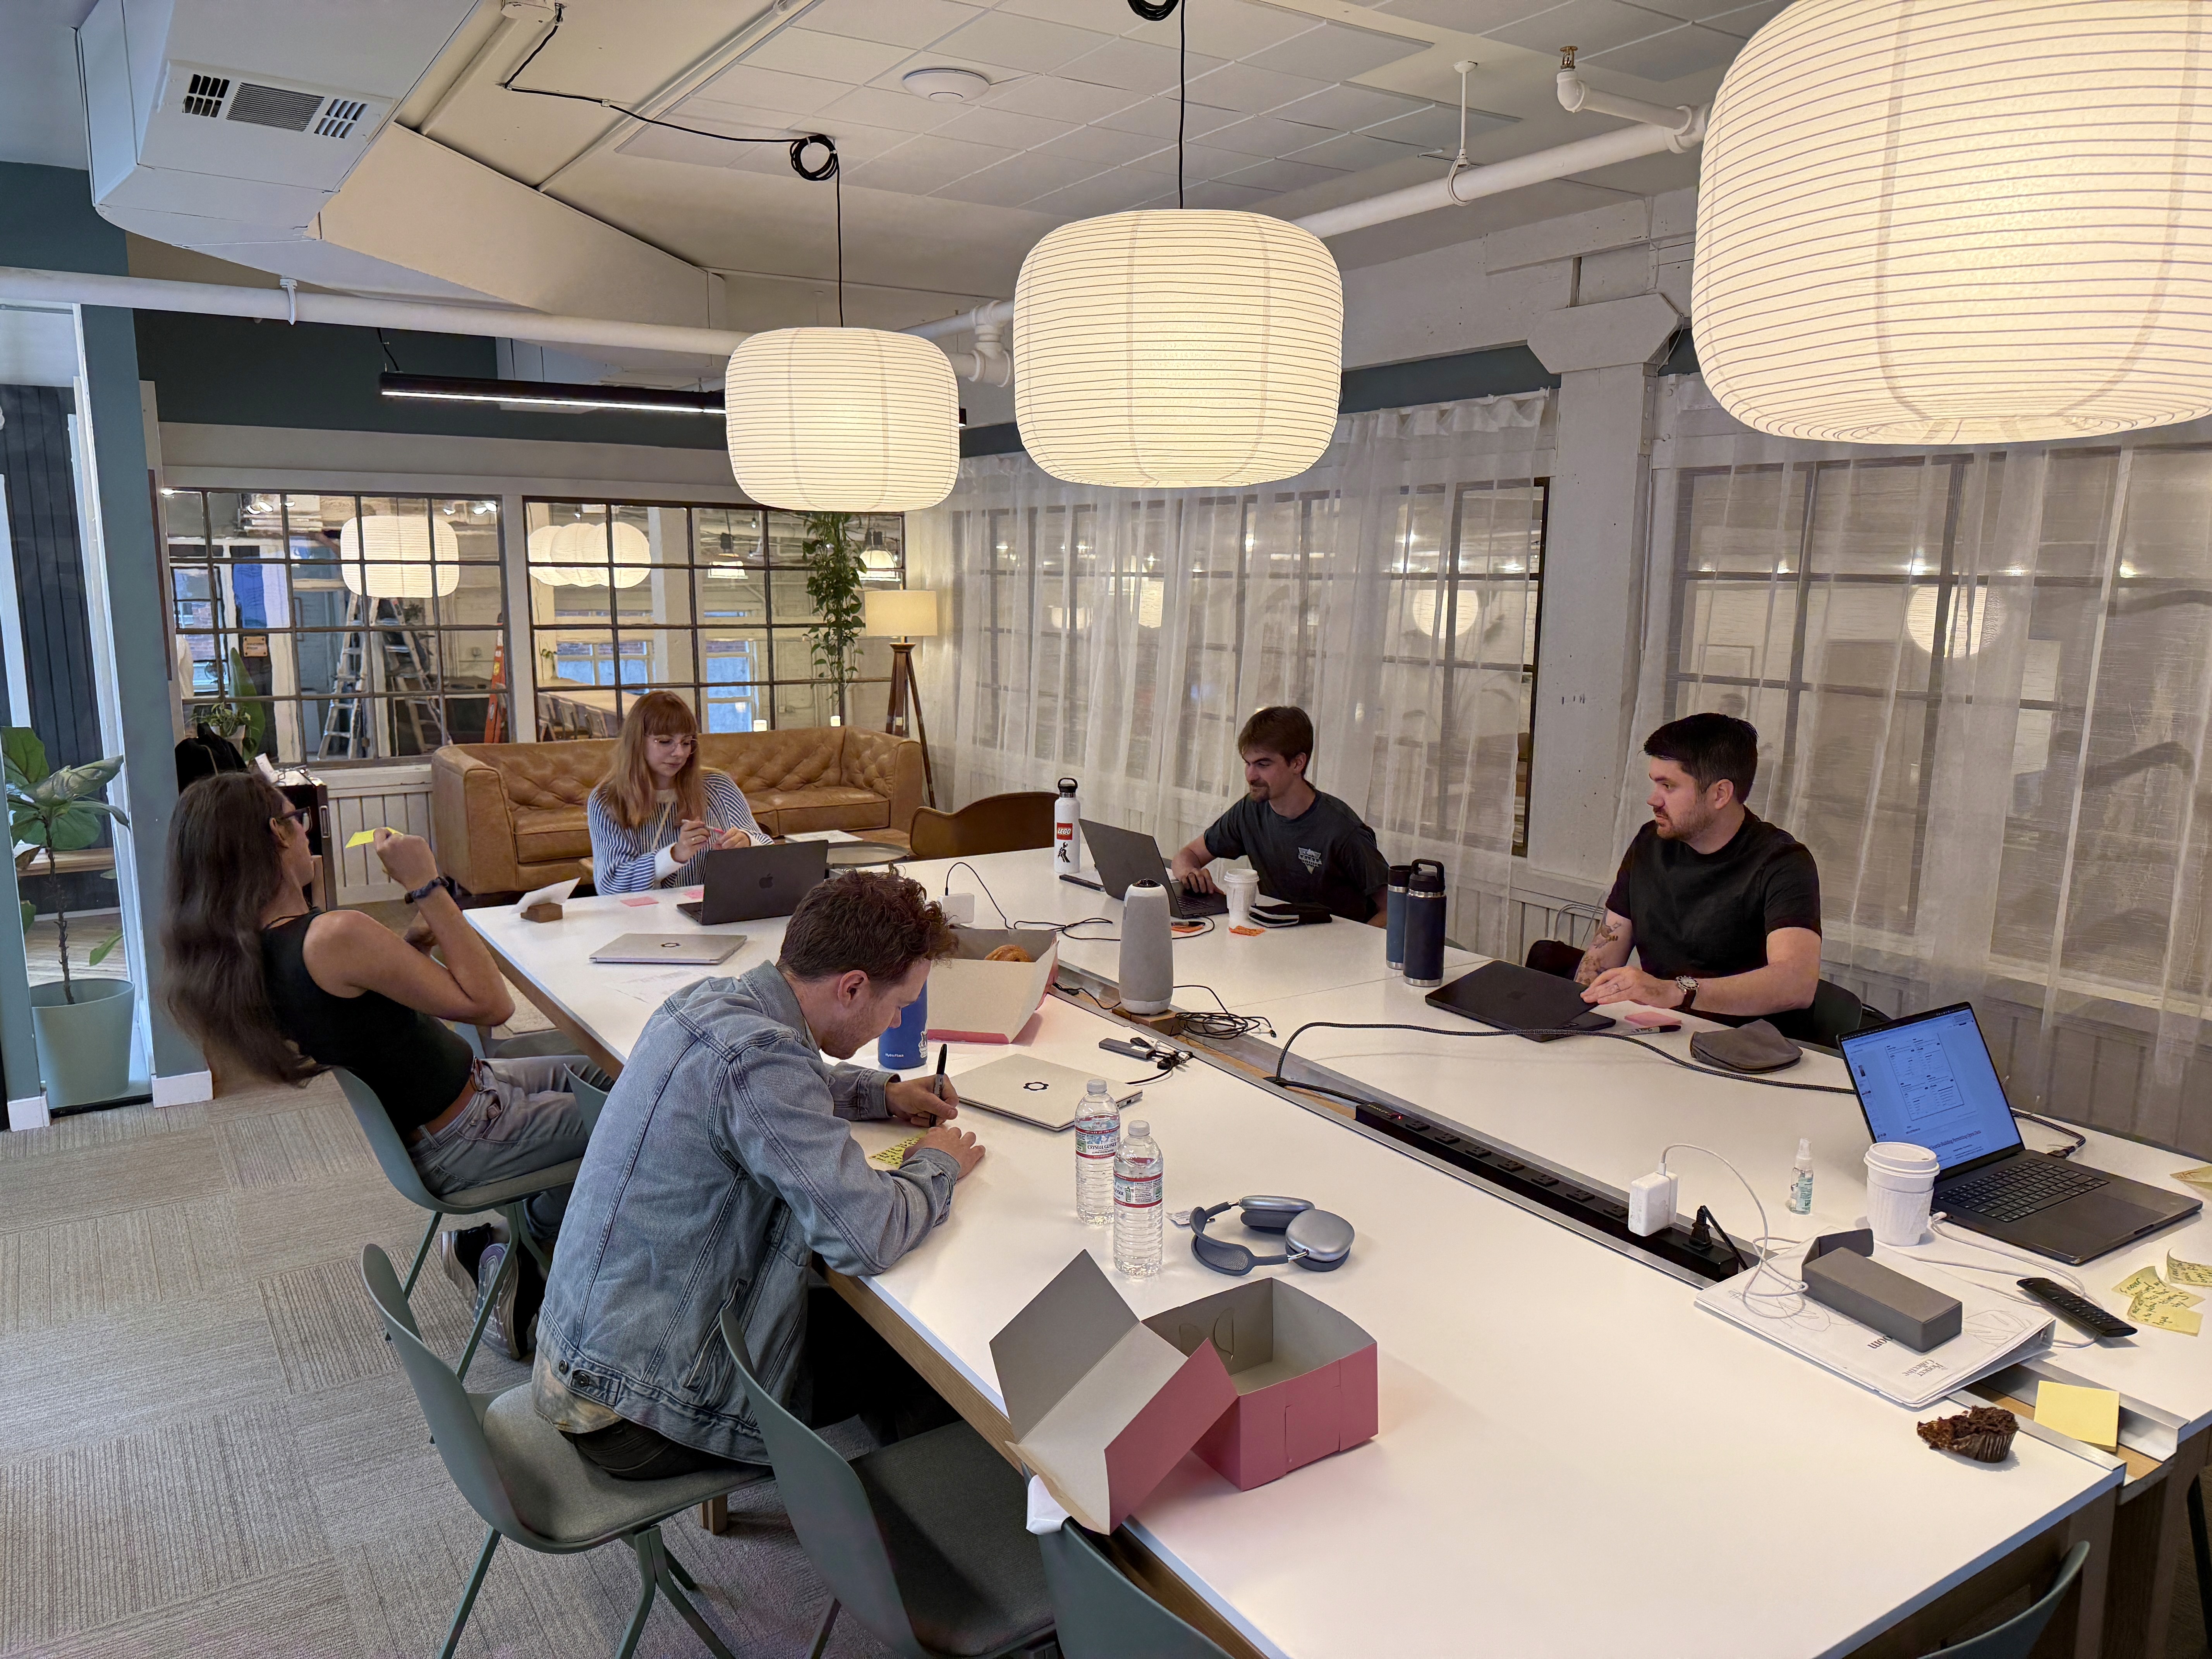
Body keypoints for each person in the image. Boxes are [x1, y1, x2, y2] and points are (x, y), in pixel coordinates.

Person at [532, 870, 986, 1479]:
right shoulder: (762, 1063)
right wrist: (939, 1163)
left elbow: (775, 1083)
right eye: (898, 1006)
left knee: (836, 1312)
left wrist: (882, 1094)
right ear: (853, 988)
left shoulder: (707, 1003)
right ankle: (887, 1522)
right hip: (637, 1415)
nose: (894, 1024)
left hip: (584, 1364)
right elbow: (867, 1236)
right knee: (928, 1357)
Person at [162, 772, 587, 1358]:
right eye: (298, 820)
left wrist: (410, 949)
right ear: (276, 835)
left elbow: (362, 1020)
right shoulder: (333, 936)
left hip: (463, 1106)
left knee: (621, 1080)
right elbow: (494, 1005)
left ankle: (507, 1250)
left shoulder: (256, 952)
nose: (307, 835)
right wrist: (426, 885)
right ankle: (524, 1256)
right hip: (471, 1134)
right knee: (647, 1121)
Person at [1577, 713, 1822, 1022]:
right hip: (1660, 1031)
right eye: (1655, 783)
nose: (1653, 800)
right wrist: (1573, 1013)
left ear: (1720, 794)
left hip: (1741, 1043)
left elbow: (1796, 985)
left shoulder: (1783, 862)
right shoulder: (1650, 843)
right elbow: (1601, 960)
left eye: (1668, 786)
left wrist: (1676, 992)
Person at [1170, 705, 1391, 924]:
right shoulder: (1249, 811)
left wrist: (1352, 947)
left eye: (1263, 764)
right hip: (1279, 935)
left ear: (1297, 763)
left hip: (1335, 943)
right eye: (1248, 763)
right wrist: (1191, 874)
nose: (1251, 776)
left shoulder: (1342, 830)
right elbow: (1187, 855)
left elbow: (1394, 910)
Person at [587, 690, 765, 893]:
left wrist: (748, 841)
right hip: (649, 912)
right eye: (665, 741)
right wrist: (674, 855)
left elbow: (768, 851)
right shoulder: (608, 800)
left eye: (687, 743)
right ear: (637, 742)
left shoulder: (719, 785)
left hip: (717, 907)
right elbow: (611, 886)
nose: (679, 753)